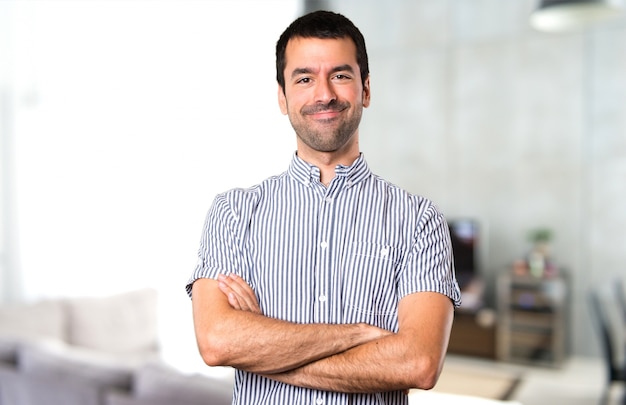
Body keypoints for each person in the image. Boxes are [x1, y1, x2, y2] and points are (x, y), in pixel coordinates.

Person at [186, 10, 461, 405]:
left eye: (341, 75)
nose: (324, 93)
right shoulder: (234, 213)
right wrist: (356, 335)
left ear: (366, 89)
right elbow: (216, 342)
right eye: (304, 78)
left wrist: (263, 348)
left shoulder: (419, 220)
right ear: (282, 97)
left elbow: (417, 363)